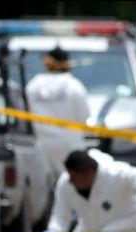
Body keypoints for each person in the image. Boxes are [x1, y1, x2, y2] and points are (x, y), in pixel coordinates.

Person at [26, 46, 92, 177]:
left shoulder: (33, 86)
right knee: (72, 184)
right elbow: (85, 115)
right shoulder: (74, 86)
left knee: (42, 188)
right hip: (70, 144)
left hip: (42, 144)